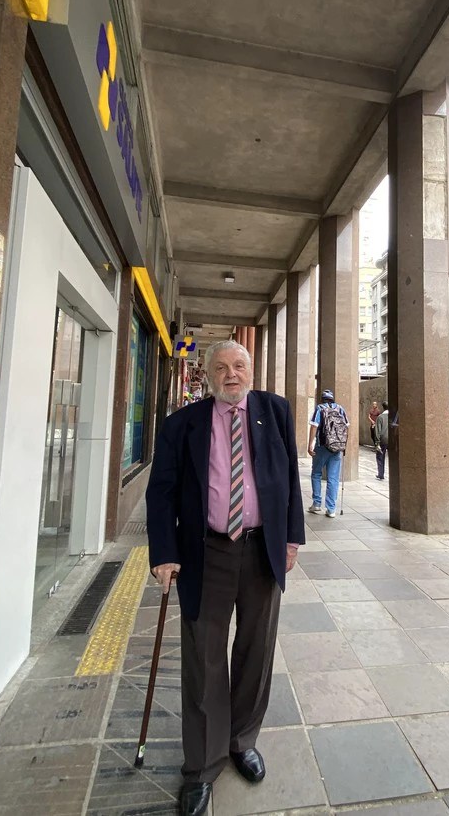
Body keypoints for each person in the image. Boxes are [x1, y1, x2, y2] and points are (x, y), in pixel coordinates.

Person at [146, 340, 305, 816]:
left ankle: (241, 740)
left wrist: (291, 539)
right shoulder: (183, 424)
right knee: (204, 657)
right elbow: (162, 491)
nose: (230, 374)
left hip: (261, 549)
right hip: (204, 552)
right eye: (221, 367)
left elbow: (290, 478)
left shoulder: (274, 411)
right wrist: (164, 553)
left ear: (251, 370)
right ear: (208, 374)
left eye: (238, 366)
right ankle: (202, 764)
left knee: (256, 650)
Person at [307, 389, 348, 517]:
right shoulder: (340, 409)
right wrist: (343, 444)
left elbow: (314, 426)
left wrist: (310, 445)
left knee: (316, 474)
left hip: (322, 446)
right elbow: (346, 426)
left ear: (322, 398)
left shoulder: (319, 409)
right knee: (333, 478)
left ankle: (317, 504)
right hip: (337, 448)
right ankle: (331, 509)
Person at [373, 401, 390, 480]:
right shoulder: (392, 416)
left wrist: (377, 443)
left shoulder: (380, 417)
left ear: (383, 407)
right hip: (392, 440)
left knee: (380, 457)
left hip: (383, 440)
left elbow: (378, 431)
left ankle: (381, 474)